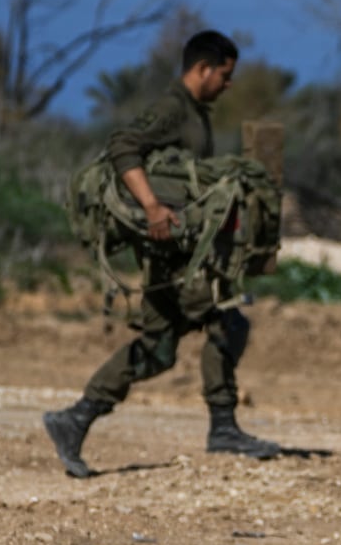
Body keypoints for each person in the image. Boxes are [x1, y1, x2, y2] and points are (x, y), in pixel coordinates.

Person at [43, 30, 279, 477]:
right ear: (202, 68)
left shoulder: (194, 113)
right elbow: (122, 146)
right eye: (224, 75)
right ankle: (223, 428)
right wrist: (152, 206)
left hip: (177, 253)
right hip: (167, 255)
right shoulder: (174, 109)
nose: (228, 85)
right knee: (223, 320)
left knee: (160, 347)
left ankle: (75, 419)